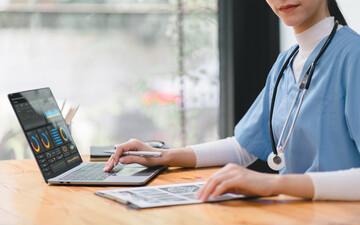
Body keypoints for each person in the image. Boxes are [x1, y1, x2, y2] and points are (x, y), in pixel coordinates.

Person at [104, 0, 360, 201]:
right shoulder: (286, 63)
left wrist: (270, 183)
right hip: (294, 215)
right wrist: (162, 156)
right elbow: (244, 147)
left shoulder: (354, 56)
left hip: (340, 222)